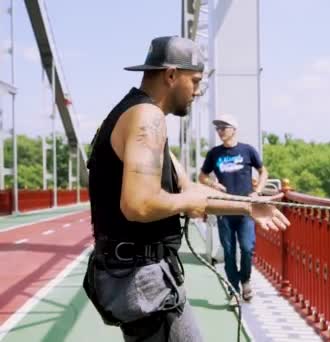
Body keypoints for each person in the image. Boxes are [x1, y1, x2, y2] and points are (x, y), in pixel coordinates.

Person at [83, 36, 289, 342]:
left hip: (132, 275)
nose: (196, 91)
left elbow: (190, 190)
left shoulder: (134, 114)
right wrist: (187, 200)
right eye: (194, 81)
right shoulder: (147, 117)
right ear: (170, 75)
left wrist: (246, 205)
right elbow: (139, 204)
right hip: (141, 278)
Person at [199, 114, 268, 305]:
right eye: (218, 128)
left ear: (233, 130)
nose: (220, 131)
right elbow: (202, 177)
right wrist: (214, 184)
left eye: (224, 127)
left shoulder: (247, 151)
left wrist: (258, 191)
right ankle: (234, 291)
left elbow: (263, 172)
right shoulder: (214, 153)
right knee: (228, 252)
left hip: (245, 209)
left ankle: (245, 280)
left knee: (247, 248)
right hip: (224, 209)